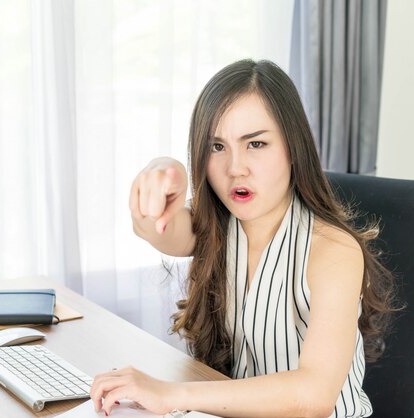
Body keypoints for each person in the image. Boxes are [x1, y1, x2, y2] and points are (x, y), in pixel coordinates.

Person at [90, 59, 397, 417]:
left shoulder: (332, 250)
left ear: (292, 148)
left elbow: (313, 396)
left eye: (256, 144)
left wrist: (172, 395)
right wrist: (161, 170)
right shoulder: (220, 227)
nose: (235, 167)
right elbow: (154, 227)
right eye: (217, 147)